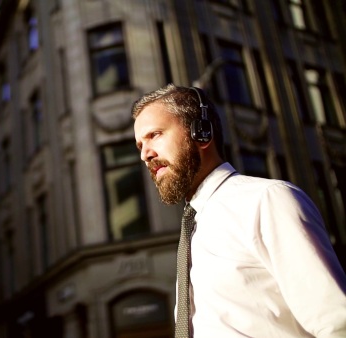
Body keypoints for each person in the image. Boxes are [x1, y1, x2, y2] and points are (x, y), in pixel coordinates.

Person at [132, 83, 346, 337]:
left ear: (202, 133)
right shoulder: (194, 228)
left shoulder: (266, 200)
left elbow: (336, 322)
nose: (145, 154)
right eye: (139, 145)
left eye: (155, 135)